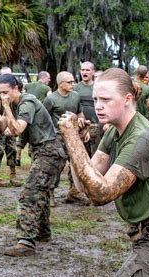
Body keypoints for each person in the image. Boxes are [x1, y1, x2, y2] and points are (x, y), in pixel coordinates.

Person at [58, 67, 149, 277]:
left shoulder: (141, 138)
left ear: (127, 99)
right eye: (96, 99)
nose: (98, 106)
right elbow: (83, 186)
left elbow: (100, 194)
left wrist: (71, 139)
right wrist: (76, 144)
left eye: (106, 99)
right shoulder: (114, 130)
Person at [0, 73, 66, 256]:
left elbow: (17, 130)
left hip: (50, 152)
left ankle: (25, 242)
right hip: (43, 152)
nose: (2, 97)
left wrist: (5, 106)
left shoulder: (27, 102)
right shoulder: (14, 105)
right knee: (41, 193)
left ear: (16, 89)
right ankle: (42, 232)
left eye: (5, 92)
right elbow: (3, 130)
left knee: (29, 194)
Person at [43, 71, 89, 206]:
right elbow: (45, 119)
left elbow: (80, 113)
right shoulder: (51, 99)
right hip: (58, 136)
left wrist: (84, 127)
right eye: (69, 82)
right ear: (60, 84)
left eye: (73, 81)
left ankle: (74, 191)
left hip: (74, 135)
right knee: (57, 166)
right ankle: (50, 192)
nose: (72, 84)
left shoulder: (75, 96)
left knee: (76, 164)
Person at [0, 67, 22, 187]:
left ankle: (13, 175)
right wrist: (1, 122)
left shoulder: (15, 93)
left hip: (12, 123)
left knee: (11, 148)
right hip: (0, 123)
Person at [73, 61, 103, 157]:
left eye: (87, 70)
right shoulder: (75, 88)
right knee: (79, 154)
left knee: (95, 154)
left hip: (96, 125)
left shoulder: (98, 87)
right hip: (79, 126)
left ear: (93, 72)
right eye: (82, 70)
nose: (84, 72)